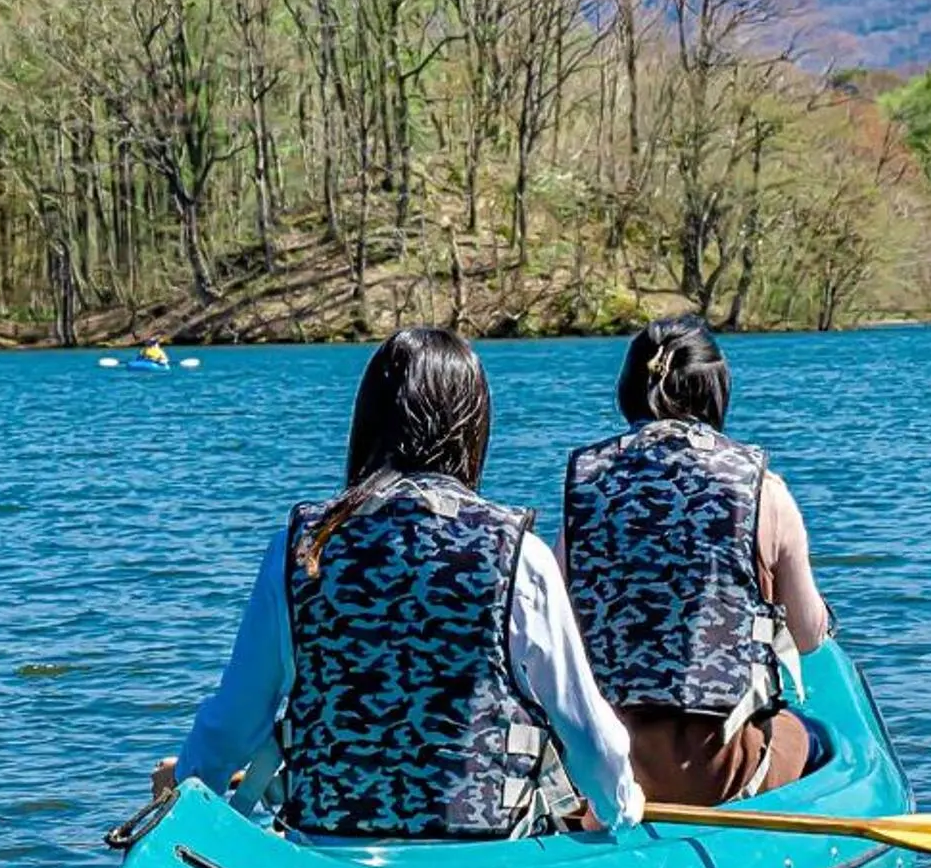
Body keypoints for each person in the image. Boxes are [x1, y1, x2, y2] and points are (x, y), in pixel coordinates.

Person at [159, 327, 642, 838]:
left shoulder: (300, 548)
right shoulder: (521, 555)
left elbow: (232, 724)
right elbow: (592, 740)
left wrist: (186, 794)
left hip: (328, 850)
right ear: (474, 427)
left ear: (367, 424)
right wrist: (621, 807)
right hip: (482, 857)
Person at [559, 316, 833, 806]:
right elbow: (810, 637)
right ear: (716, 390)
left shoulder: (585, 489)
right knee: (814, 737)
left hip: (603, 766)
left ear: (629, 388)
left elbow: (556, 625)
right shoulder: (762, 489)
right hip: (719, 769)